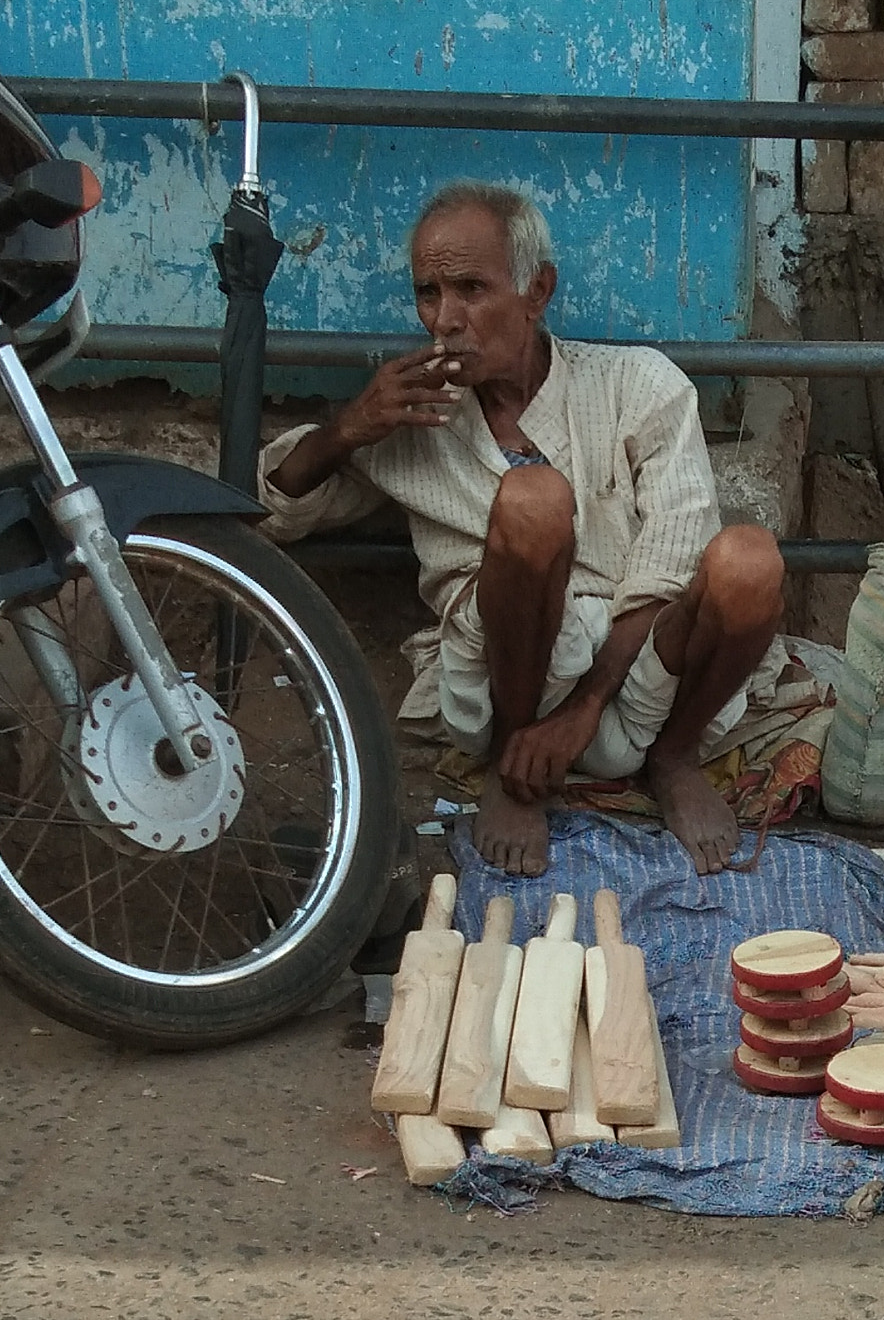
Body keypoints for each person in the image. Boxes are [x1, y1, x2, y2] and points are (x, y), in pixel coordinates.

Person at [258, 181, 787, 878]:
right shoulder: (414, 414)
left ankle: (675, 759)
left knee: (749, 560)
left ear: (537, 293)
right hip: (505, 687)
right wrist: (349, 429)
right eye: (428, 293)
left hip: (641, 682)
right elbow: (274, 509)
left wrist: (586, 710)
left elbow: (671, 561)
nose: (445, 319)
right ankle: (514, 771)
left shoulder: (639, 384)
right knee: (533, 500)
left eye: (471, 288)